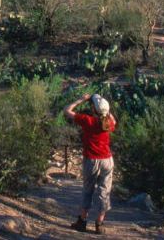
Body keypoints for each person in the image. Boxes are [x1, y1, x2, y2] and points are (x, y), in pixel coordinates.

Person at [64, 92, 116, 234]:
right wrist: (107, 110)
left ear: (93, 109)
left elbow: (67, 110)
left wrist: (81, 99)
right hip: (107, 160)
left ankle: (82, 221)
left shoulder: (88, 121)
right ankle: (100, 224)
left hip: (91, 160)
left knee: (88, 191)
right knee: (104, 191)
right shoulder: (108, 123)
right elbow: (114, 121)